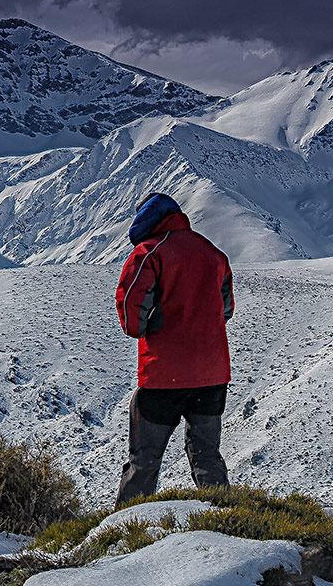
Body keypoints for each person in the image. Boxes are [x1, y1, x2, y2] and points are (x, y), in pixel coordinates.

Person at [113, 191, 234, 506]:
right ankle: (227, 524)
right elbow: (226, 309)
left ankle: (123, 535)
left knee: (145, 461)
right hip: (212, 375)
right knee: (207, 455)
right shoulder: (214, 254)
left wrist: (146, 328)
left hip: (162, 374)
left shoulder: (148, 253)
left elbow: (130, 308)